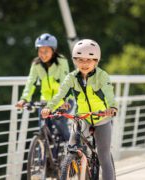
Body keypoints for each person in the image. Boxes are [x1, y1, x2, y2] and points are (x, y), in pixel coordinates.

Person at [41, 39, 118, 180]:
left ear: (96, 61)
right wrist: (49, 107)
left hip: (102, 118)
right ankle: (77, 167)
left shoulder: (102, 76)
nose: (84, 63)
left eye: (89, 60)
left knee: (104, 156)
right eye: (80, 60)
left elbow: (109, 93)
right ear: (75, 61)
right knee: (71, 148)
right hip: (82, 118)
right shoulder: (71, 78)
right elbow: (60, 94)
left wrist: (112, 107)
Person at [16, 33, 72, 142]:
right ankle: (42, 157)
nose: (42, 54)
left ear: (53, 50)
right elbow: (30, 83)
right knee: (44, 133)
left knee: (62, 129)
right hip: (45, 102)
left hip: (62, 101)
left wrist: (64, 100)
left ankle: (75, 152)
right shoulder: (36, 64)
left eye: (46, 51)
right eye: (40, 51)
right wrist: (24, 99)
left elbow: (65, 83)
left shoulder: (62, 62)